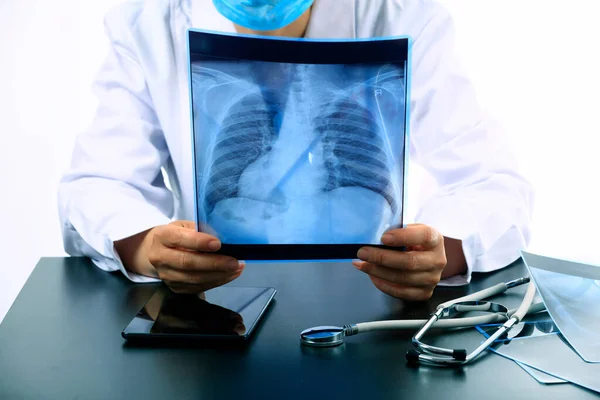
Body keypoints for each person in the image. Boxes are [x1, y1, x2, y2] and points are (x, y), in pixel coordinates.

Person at [58, 0, 534, 301]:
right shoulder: (150, 22)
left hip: (369, 315)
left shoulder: (402, 15)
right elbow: (99, 183)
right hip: (212, 318)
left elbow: (494, 185)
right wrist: (148, 248)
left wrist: (440, 253)